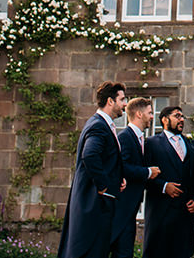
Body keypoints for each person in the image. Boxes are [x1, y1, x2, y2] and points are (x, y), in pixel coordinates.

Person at [59, 82, 127, 258]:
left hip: (98, 203)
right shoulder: (98, 125)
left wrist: (117, 178)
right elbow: (89, 155)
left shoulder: (101, 124)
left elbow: (104, 158)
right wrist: (104, 185)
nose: (125, 104)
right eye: (122, 99)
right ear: (110, 101)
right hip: (94, 204)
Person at [144, 105, 194, 258]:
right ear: (164, 119)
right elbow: (144, 176)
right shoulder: (151, 143)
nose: (181, 119)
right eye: (177, 116)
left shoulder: (193, 145)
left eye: (182, 116)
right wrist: (164, 186)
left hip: (185, 215)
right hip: (160, 213)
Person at [113, 98, 163, 258]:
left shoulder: (141, 139)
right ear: (139, 114)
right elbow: (123, 167)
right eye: (150, 113)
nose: (152, 117)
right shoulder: (125, 137)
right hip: (123, 207)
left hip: (131, 207)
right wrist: (148, 172)